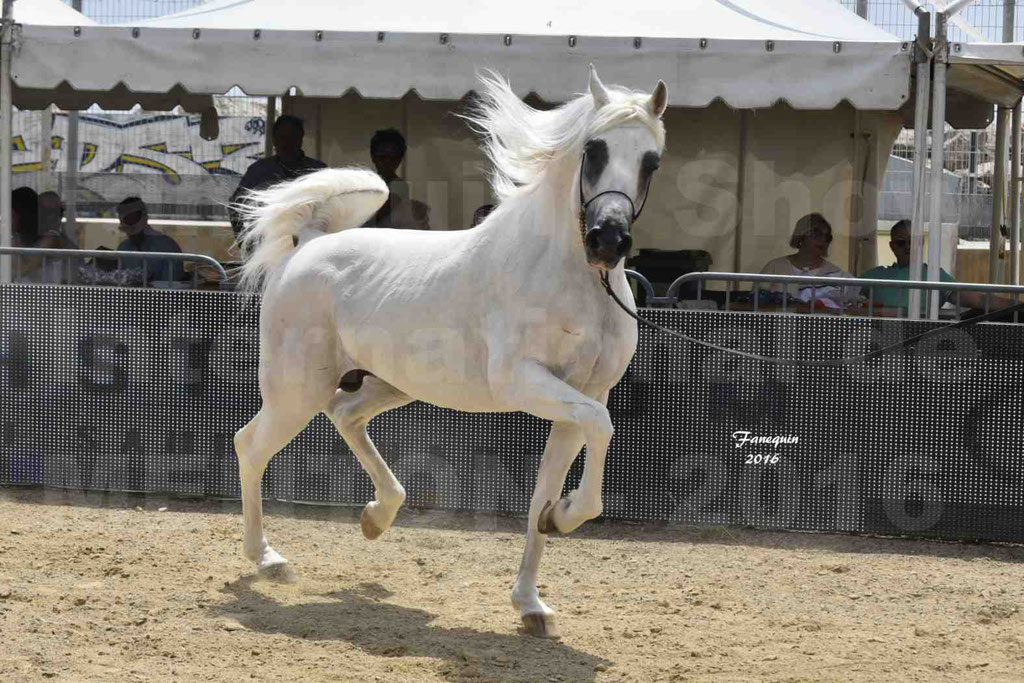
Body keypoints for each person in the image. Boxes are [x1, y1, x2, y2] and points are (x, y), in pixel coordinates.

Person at [860, 219, 1015, 313]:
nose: (908, 247)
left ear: (921, 244)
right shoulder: (875, 276)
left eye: (913, 242)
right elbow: (843, 296)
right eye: (901, 243)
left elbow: (976, 299)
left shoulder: (934, 275)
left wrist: (1016, 305)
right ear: (892, 246)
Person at [229, 114, 326, 236]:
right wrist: (243, 241)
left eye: (292, 137)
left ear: (300, 139)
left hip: (307, 244)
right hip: (267, 244)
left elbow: (331, 209)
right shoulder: (259, 171)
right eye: (282, 137)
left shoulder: (318, 171)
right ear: (274, 140)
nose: (287, 143)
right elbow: (234, 206)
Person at [759, 213, 858, 304]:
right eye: (817, 234)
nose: (823, 240)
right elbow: (756, 303)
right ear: (801, 235)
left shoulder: (836, 274)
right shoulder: (775, 267)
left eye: (827, 237)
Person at [361, 128, 430, 230]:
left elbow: (371, 216)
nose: (388, 161)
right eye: (382, 156)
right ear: (373, 156)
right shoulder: (364, 181)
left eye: (394, 156)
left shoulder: (399, 185)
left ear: (400, 158)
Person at [114, 196, 185, 283]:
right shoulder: (124, 248)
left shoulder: (168, 248)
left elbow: (171, 285)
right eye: (127, 220)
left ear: (144, 217)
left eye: (133, 218)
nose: (131, 226)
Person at [11, 186, 67, 283]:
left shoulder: (51, 239)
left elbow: (23, 268)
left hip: (47, 297)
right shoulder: (16, 239)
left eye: (11, 214)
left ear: (21, 214)